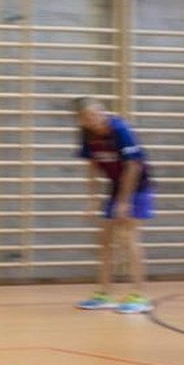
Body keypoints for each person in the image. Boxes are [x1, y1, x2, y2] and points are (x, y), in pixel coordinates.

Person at [72, 97, 153, 314]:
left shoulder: (119, 129)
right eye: (90, 117)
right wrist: (92, 198)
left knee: (128, 236)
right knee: (105, 240)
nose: (98, 119)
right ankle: (104, 293)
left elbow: (133, 166)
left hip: (137, 185)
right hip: (117, 187)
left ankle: (141, 295)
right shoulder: (88, 135)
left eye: (99, 113)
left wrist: (124, 202)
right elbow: (92, 166)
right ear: (82, 121)